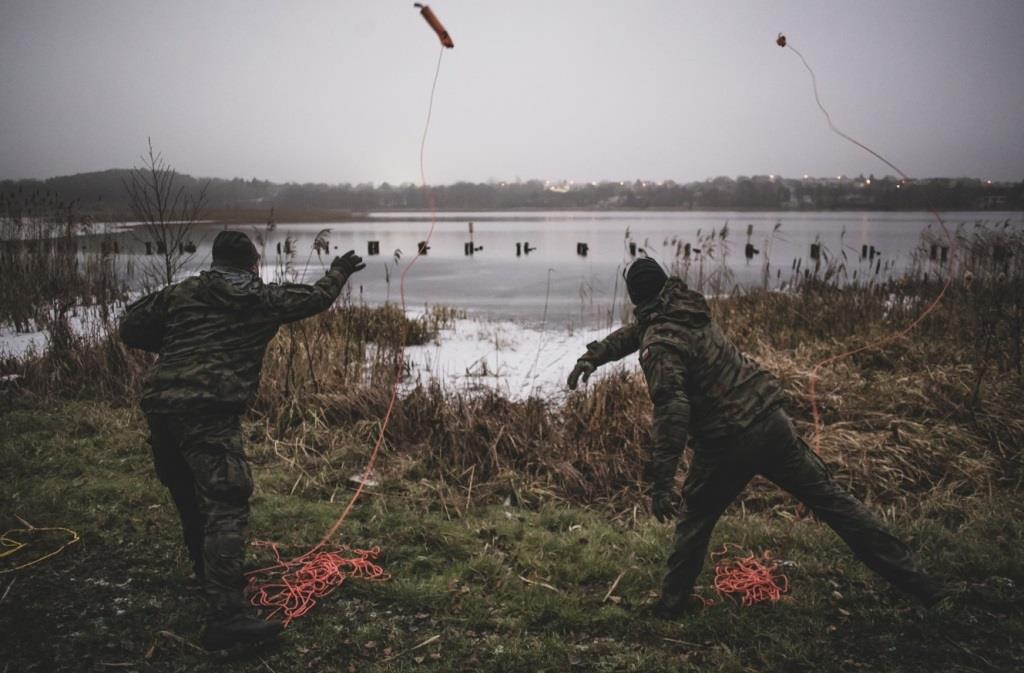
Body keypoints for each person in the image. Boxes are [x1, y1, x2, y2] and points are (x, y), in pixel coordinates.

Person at [566, 258, 947, 618]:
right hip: (771, 420)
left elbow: (672, 411)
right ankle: (924, 585)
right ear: (664, 285)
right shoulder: (687, 308)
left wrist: (662, 484)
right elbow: (639, 332)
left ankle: (671, 605)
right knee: (835, 503)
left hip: (727, 441)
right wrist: (594, 356)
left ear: (636, 297)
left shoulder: (659, 345)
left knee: (695, 520)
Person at [119, 231, 365, 649]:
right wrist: (340, 269)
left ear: (215, 262)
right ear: (253, 264)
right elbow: (317, 298)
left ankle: (208, 577)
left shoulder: (183, 293)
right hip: (209, 412)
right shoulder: (262, 299)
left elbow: (130, 326)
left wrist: (179, 342)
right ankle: (227, 617)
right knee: (226, 502)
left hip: (161, 407)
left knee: (189, 496)